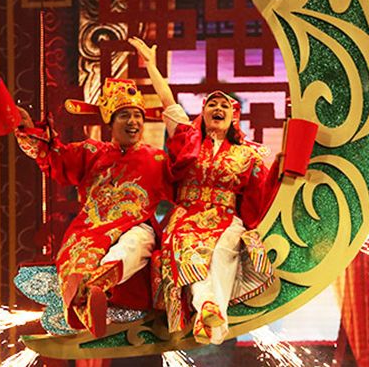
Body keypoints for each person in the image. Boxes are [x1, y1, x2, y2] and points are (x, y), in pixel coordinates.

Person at [129, 37, 279, 344]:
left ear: (233, 117)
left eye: (224, 105)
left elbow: (262, 193)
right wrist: (152, 66)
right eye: (212, 104)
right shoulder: (187, 138)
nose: (218, 108)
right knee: (189, 249)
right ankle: (210, 313)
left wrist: (283, 167)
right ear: (204, 112)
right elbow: (168, 101)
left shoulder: (249, 154)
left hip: (225, 217)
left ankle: (206, 312)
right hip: (186, 217)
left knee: (223, 248)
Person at [14, 77, 173, 338]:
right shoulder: (91, 153)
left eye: (137, 116)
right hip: (91, 229)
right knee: (76, 256)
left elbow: (187, 186)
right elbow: (53, 157)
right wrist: (29, 128)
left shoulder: (156, 159)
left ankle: (96, 286)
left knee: (135, 244)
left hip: (135, 226)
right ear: (110, 120)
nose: (133, 122)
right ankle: (85, 303)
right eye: (124, 115)